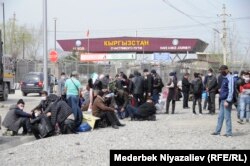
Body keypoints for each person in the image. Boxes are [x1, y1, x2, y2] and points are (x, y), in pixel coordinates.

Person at [211, 65, 234, 137]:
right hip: (222, 99)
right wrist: (221, 90)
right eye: (220, 70)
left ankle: (229, 133)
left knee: (227, 117)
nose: (221, 72)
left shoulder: (230, 78)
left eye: (222, 70)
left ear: (227, 70)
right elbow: (225, 88)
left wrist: (228, 100)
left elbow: (231, 90)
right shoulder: (224, 78)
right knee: (220, 117)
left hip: (226, 100)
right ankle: (217, 131)